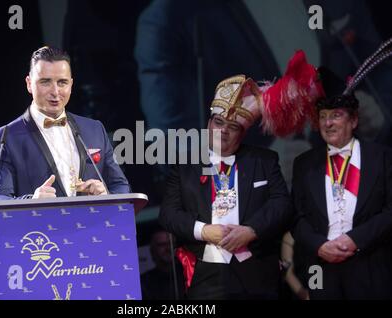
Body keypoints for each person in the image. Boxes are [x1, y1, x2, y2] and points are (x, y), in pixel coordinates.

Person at [159, 72, 295, 299]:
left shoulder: (263, 160)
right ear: (209, 122)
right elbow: (169, 214)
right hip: (205, 274)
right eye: (218, 122)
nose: (223, 130)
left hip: (257, 272)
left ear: (242, 133)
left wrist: (251, 230)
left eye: (232, 126)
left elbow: (282, 204)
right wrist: (204, 231)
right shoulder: (185, 165)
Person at [291, 59, 392, 299]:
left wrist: (355, 239)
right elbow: (296, 217)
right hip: (322, 271)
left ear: (354, 120)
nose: (328, 123)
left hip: (371, 268)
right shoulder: (304, 164)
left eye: (336, 115)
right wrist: (319, 245)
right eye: (324, 116)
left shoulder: (382, 157)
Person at [0, 46, 130, 200]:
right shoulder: (4, 137)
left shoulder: (94, 129)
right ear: (29, 84)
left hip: (92, 223)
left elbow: (121, 187)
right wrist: (32, 202)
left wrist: (105, 194)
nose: (55, 91)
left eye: (62, 82)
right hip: (37, 224)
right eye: (45, 82)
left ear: (71, 85)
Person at [140, 229, 185, 300]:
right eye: (162, 245)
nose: (168, 248)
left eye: (171, 243)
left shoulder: (189, 274)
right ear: (152, 251)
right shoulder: (144, 282)